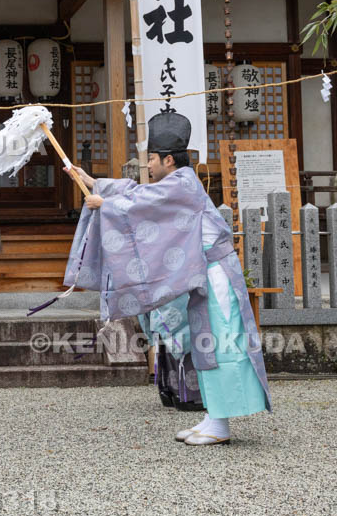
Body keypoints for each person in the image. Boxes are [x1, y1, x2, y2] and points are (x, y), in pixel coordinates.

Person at [65, 111, 270, 446]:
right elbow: (138, 191)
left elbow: (142, 199)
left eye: (152, 160)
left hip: (216, 277)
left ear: (168, 160)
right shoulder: (178, 182)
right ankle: (213, 418)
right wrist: (93, 182)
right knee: (206, 346)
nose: (148, 166)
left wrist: (105, 203)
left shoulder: (183, 184)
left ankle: (220, 423)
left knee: (218, 345)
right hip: (206, 275)